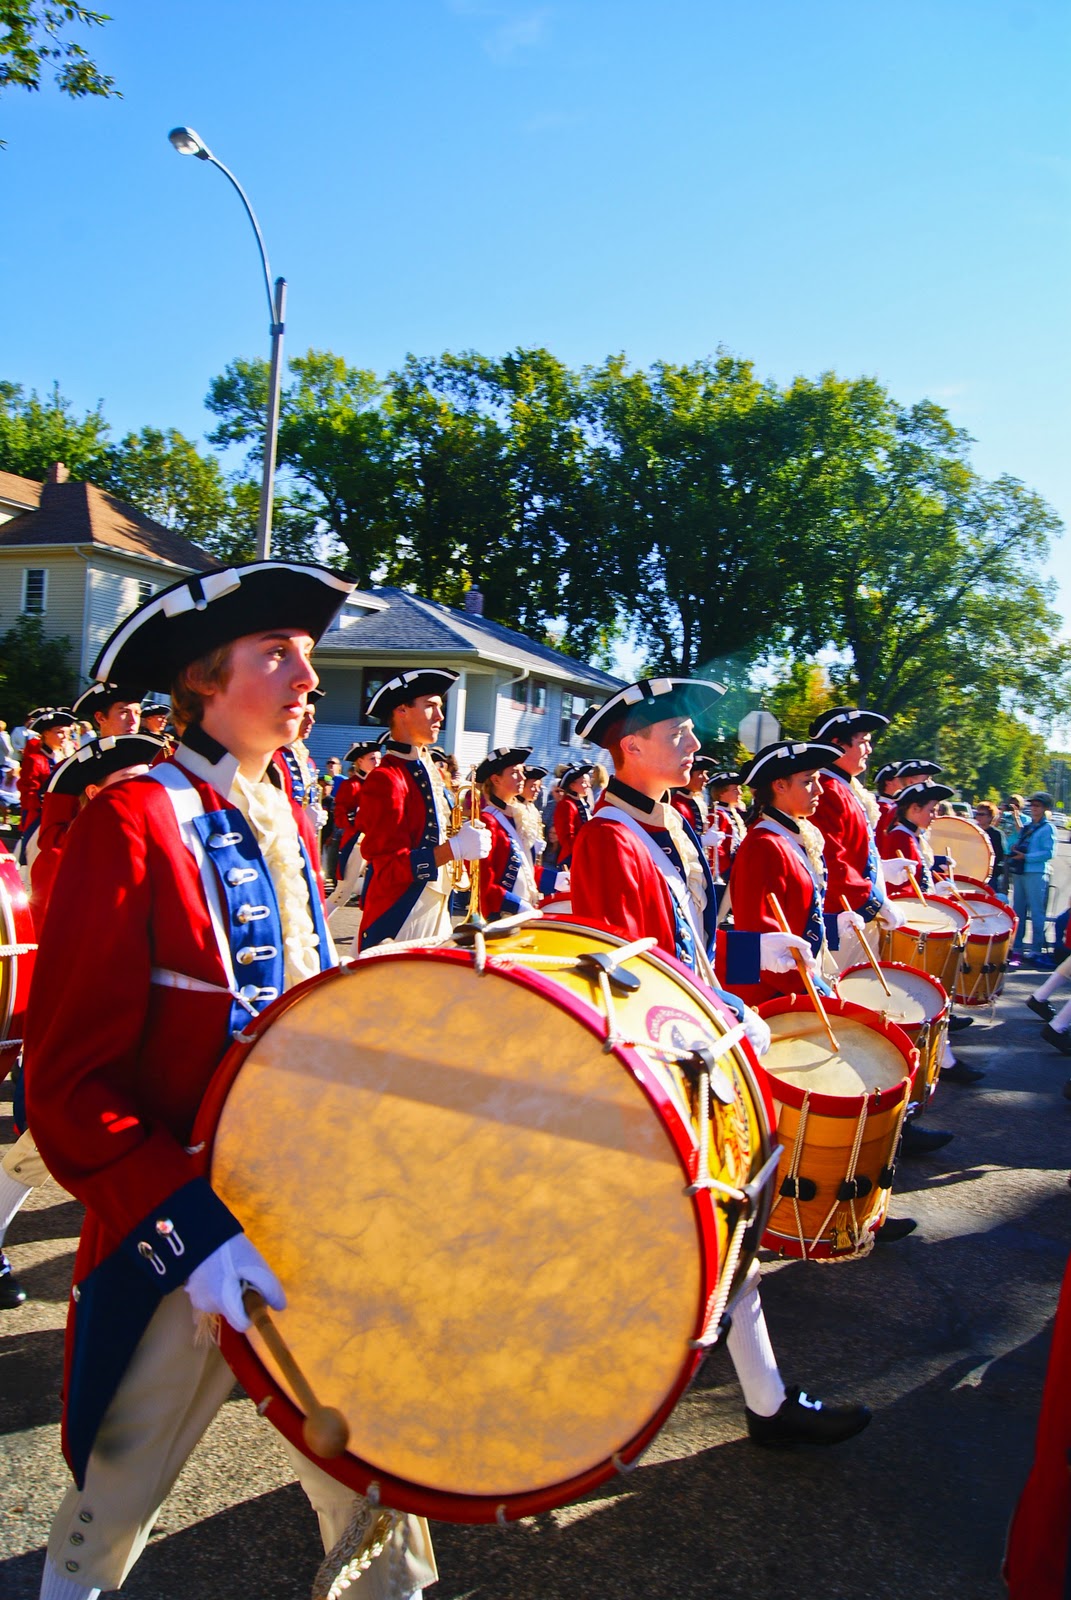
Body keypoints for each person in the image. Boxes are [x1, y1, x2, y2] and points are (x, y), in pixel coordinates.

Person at [24, 560, 435, 1600]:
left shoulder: (282, 812)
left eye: (307, 656)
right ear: (204, 681)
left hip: (306, 1208)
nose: (308, 677)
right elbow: (70, 1084)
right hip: (184, 1225)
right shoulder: (132, 820)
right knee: (110, 1505)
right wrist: (192, 1232)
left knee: (376, 1474)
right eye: (276, 655)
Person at [570, 678, 870, 1448]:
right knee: (677, 1234)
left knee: (718, 1233)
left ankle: (763, 1400)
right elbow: (620, 972)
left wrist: (748, 957)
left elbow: (691, 944)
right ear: (629, 748)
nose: (696, 746)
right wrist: (711, 1017)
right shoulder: (608, 835)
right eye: (677, 734)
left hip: (691, 1043)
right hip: (660, 1060)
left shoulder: (662, 825)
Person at [807, 707, 950, 1156]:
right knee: (854, 1025)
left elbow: (856, 855)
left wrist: (882, 878)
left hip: (855, 915)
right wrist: (874, 899)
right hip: (842, 920)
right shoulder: (829, 790)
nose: (868, 748)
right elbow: (834, 863)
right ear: (838, 746)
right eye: (861, 740)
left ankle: (890, 1125)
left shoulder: (843, 788)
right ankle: (866, 1134)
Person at [357, 669, 490, 950]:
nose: (440, 717)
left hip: (437, 905)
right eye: (431, 706)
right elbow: (390, 867)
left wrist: (467, 838)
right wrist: (454, 849)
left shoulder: (428, 771)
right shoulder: (386, 779)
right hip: (401, 914)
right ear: (402, 710)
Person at [880, 780, 984, 1086]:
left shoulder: (911, 836)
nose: (935, 815)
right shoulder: (899, 838)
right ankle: (938, 1061)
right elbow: (901, 891)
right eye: (931, 809)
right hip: (908, 931)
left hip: (914, 927)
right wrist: (931, 892)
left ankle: (942, 1057)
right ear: (913, 809)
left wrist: (936, 883)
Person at [474, 746, 541, 920]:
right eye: (514, 773)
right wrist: (517, 905)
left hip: (523, 909)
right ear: (496, 779)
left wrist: (555, 880)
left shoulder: (516, 816)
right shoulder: (487, 821)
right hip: (502, 914)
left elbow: (525, 869)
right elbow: (484, 884)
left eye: (522, 772)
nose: (522, 778)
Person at [324, 741, 382, 918]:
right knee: (343, 892)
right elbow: (341, 817)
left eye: (379, 758)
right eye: (372, 758)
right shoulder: (351, 785)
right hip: (357, 844)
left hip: (380, 844)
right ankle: (317, 923)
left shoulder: (382, 784)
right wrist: (359, 818)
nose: (377, 762)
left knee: (378, 891)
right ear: (360, 761)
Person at [17, 709, 77, 865]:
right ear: (45, 734)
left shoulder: (69, 757)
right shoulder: (35, 760)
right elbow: (28, 792)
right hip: (40, 816)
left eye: (68, 733)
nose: (65, 737)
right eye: (60, 732)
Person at [1009, 792, 1058, 965]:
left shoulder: (1048, 828)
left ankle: (1036, 950)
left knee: (1037, 912)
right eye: (1032, 805)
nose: (1034, 808)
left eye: (1038, 805)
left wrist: (1027, 857)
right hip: (1021, 872)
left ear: (1045, 808)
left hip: (1036, 873)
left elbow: (1049, 853)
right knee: (1018, 912)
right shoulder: (1028, 826)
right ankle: (1017, 950)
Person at [72, 682, 142, 739]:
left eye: (137, 713)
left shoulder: (149, 755)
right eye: (124, 712)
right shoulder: (87, 755)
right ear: (100, 717)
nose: (133, 721)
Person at [972, 800, 1007, 895]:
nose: (978, 817)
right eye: (977, 814)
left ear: (991, 816)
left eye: (982, 814)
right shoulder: (972, 831)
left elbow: (999, 855)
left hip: (990, 875)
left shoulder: (997, 834)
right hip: (973, 872)